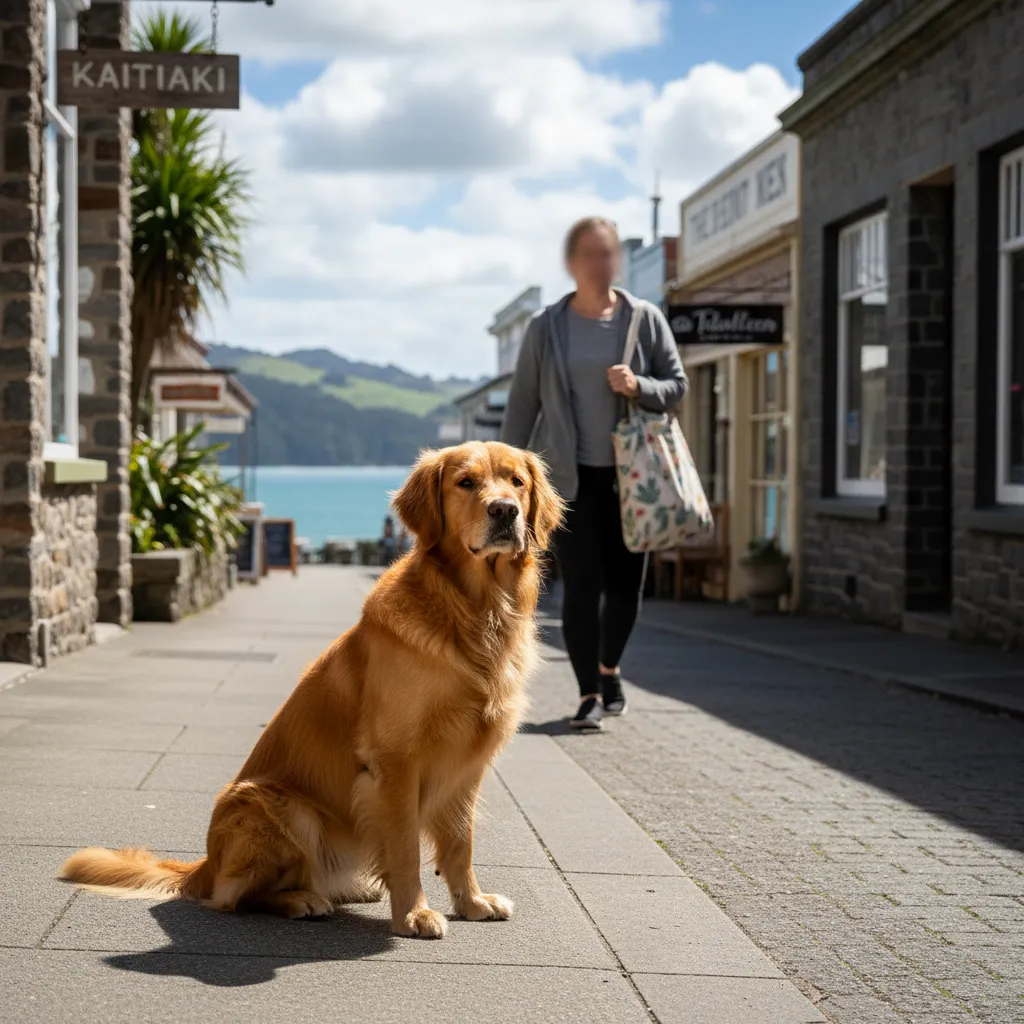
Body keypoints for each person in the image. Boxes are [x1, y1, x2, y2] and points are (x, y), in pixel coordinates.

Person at [502, 216, 688, 731]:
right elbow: (522, 407)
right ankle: (587, 693)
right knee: (580, 588)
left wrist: (639, 386)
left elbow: (677, 384)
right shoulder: (546, 328)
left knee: (628, 588)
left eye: (606, 253)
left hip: (635, 479)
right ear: (571, 262)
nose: (598, 262)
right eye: (588, 253)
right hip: (568, 480)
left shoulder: (644, 319)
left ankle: (610, 669)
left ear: (617, 260)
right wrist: (507, 481)